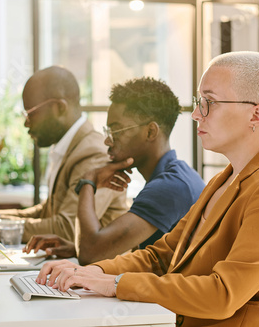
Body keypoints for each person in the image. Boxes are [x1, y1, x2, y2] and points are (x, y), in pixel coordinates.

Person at [35, 52, 259, 327]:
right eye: (198, 101)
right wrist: (92, 271)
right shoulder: (225, 179)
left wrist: (114, 283)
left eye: (209, 102)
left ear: (256, 115)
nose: (196, 114)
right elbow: (162, 255)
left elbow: (222, 295)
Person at [24, 77, 205, 265]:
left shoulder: (170, 186)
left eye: (116, 131)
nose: (107, 141)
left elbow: (90, 252)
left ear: (151, 132)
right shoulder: (173, 176)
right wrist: (74, 248)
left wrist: (88, 181)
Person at [0, 66, 127, 255]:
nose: (26, 123)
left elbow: (68, 228)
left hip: (96, 271)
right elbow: (48, 211)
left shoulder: (93, 153)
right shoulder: (68, 147)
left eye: (30, 113)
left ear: (60, 108)